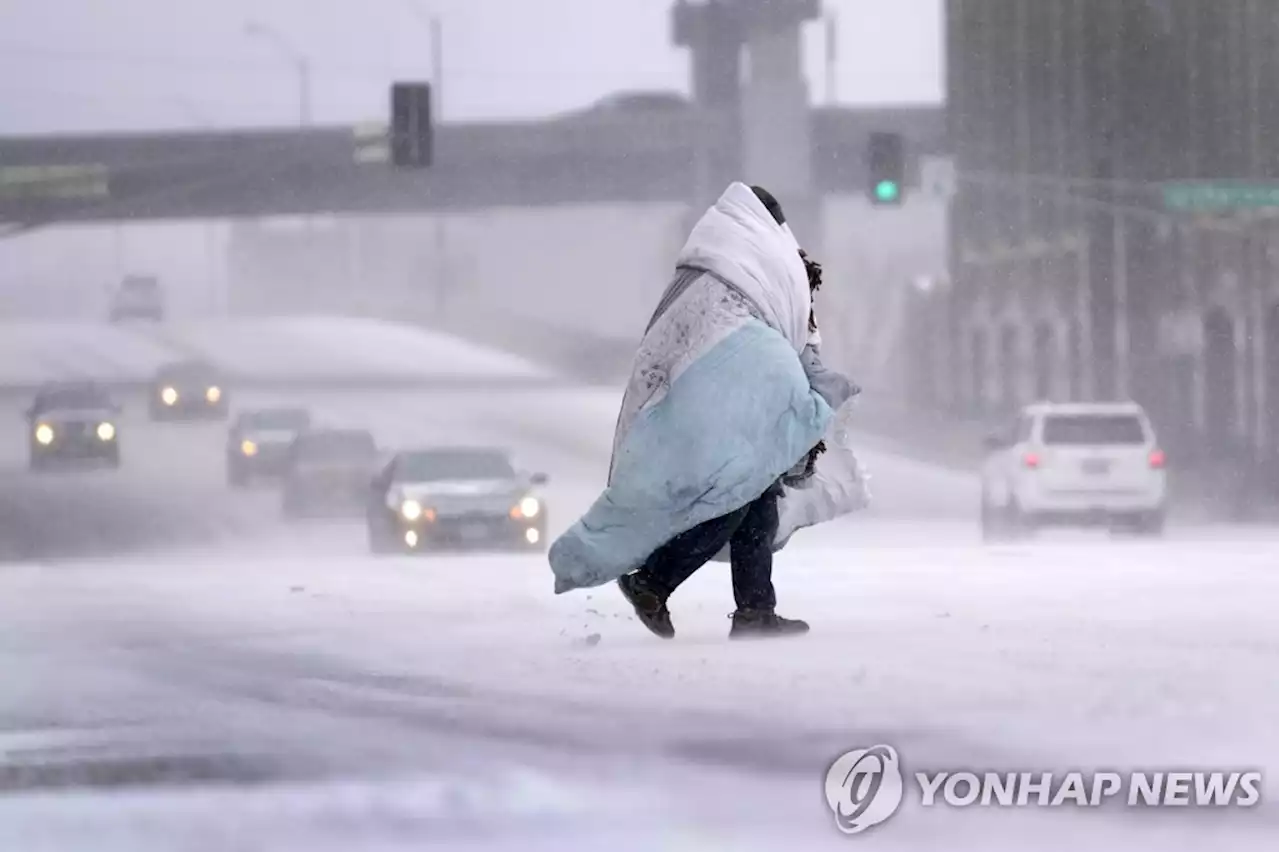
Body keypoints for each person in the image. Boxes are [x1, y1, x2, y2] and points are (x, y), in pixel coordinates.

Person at [547, 182, 860, 640]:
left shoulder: (707, 269)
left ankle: (755, 610)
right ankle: (654, 581)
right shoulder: (770, 266)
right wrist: (811, 395)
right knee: (735, 493)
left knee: (755, 497)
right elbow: (791, 338)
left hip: (706, 398)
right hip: (732, 399)